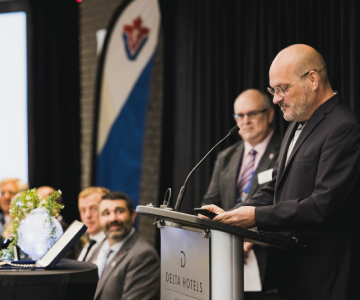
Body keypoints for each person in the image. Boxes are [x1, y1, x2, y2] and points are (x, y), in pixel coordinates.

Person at [203, 44, 360, 300]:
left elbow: (322, 206)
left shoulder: (343, 127)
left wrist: (255, 216)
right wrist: (230, 215)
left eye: (282, 89)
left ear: (312, 79)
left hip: (323, 276)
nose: (276, 99)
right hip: (292, 272)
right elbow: (275, 186)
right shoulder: (297, 124)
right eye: (272, 90)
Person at [202, 89, 282, 299]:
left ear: (270, 115)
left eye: (252, 113)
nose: (245, 121)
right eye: (240, 116)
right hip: (226, 255)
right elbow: (210, 201)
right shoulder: (225, 157)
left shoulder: (286, 151)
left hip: (270, 261)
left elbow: (284, 203)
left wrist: (250, 237)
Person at [88, 191, 160, 300]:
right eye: (106, 213)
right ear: (99, 218)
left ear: (133, 215)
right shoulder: (97, 248)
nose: (113, 218)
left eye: (119, 211)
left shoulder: (144, 256)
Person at [77, 186, 109, 262]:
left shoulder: (112, 247)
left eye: (94, 208)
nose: (88, 215)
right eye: (83, 210)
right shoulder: (86, 247)